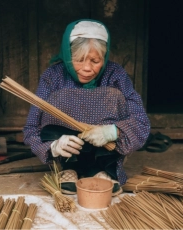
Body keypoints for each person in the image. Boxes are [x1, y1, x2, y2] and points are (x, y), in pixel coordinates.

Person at [23, 19, 150, 195]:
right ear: (67, 55)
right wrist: (53, 147)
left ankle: (105, 169)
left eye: (95, 61)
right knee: (56, 100)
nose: (87, 68)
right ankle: (69, 168)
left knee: (114, 96)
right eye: (78, 60)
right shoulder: (53, 76)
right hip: (66, 155)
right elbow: (31, 128)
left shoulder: (116, 75)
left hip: (106, 154)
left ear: (104, 58)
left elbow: (142, 121)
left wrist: (113, 132)